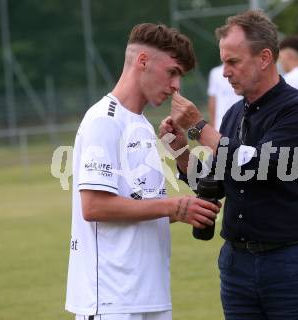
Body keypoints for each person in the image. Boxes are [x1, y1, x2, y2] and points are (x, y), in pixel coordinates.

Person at [160, 10, 298, 320]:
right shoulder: (234, 114)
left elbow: (259, 166)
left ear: (264, 58)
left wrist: (200, 128)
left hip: (291, 261)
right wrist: (180, 147)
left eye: (232, 61)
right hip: (237, 263)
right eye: (224, 62)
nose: (225, 72)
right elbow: (212, 184)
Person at [65, 23, 220, 320]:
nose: (176, 85)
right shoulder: (104, 120)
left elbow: (139, 205)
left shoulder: (143, 125)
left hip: (149, 294)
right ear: (143, 61)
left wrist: (185, 209)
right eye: (172, 72)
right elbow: (94, 206)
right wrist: (174, 206)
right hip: (112, 298)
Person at [207, 64, 241, 130]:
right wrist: (213, 124)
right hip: (221, 122)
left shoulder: (244, 70)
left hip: (241, 120)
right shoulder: (215, 73)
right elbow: (212, 100)